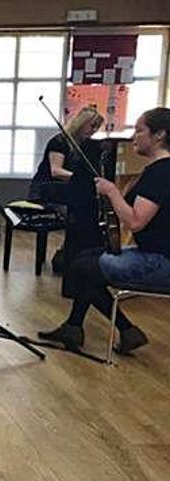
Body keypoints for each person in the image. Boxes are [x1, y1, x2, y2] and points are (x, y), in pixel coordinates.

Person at [38, 107, 170, 354]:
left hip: (161, 262)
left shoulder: (161, 173)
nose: (134, 137)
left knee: (82, 268)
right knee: (86, 259)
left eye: (140, 130)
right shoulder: (159, 171)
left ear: (159, 135)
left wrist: (111, 191)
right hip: (155, 252)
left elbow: (136, 222)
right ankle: (75, 327)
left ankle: (124, 328)